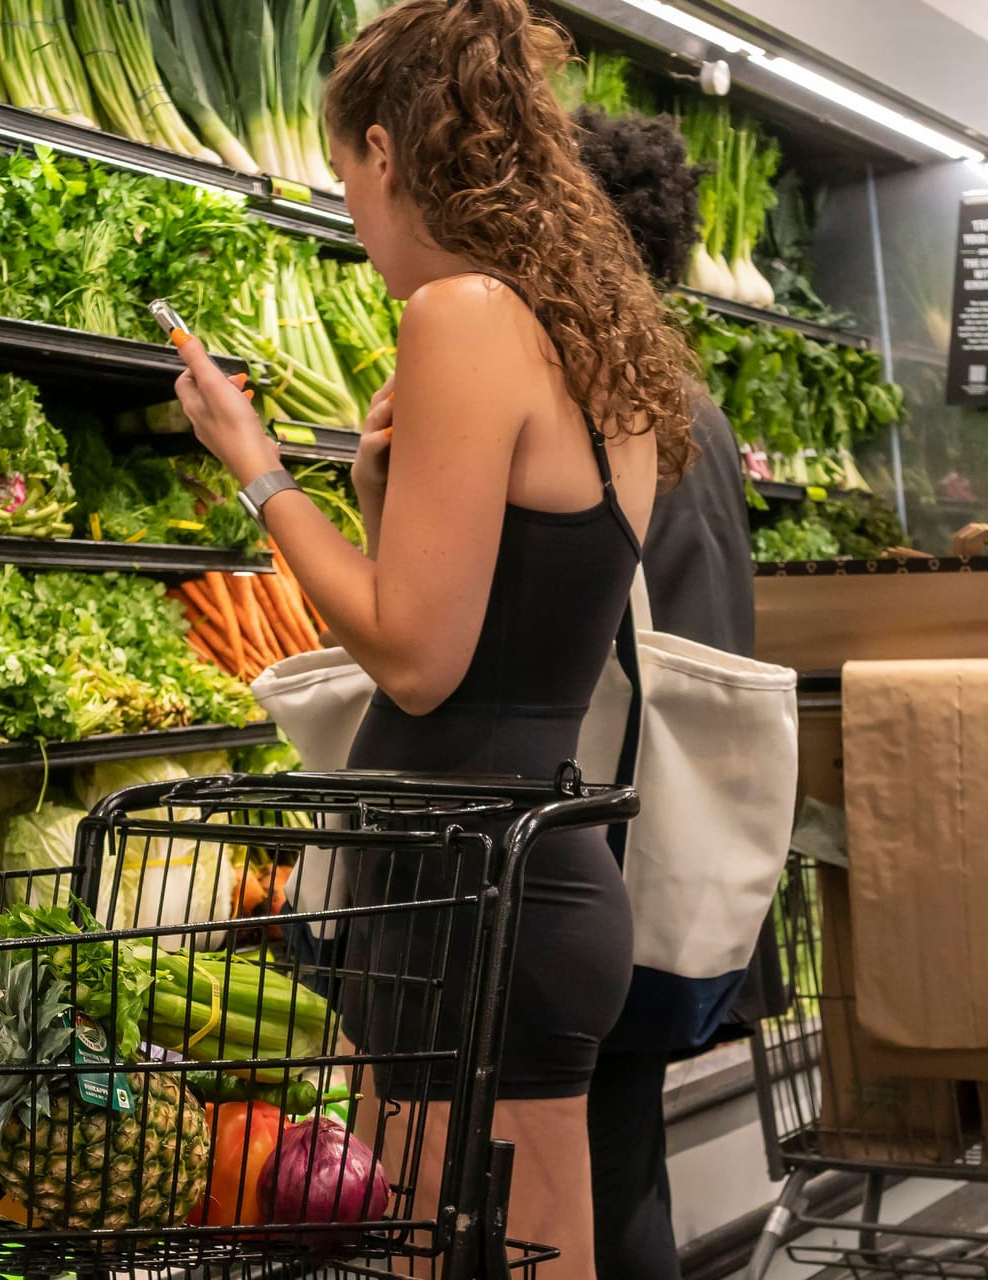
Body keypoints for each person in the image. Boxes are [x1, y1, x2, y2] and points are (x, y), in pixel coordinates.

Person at [169, 1, 696, 1273]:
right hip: (543, 873)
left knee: (432, 1255)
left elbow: (418, 659)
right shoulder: (587, 335)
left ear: (389, 151)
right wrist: (375, 502)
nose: (348, 207)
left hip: (462, 895)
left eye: (344, 172)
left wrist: (256, 468)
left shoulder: (461, 313)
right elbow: (522, 615)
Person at [572, 106, 760, 1280]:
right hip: (671, 836)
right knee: (618, 1158)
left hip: (605, 834)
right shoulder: (694, 404)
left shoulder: (605, 405)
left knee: (592, 1167)